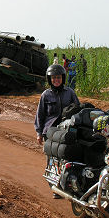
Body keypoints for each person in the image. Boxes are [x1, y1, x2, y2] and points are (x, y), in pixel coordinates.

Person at [35, 64, 79, 198]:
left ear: (63, 78)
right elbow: (40, 115)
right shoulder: (45, 95)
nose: (56, 80)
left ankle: (67, 185)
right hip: (50, 132)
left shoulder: (70, 93)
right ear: (50, 80)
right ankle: (55, 188)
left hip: (66, 132)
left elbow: (78, 109)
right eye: (53, 78)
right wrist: (39, 133)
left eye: (58, 77)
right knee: (52, 161)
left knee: (66, 159)